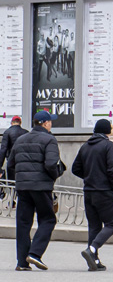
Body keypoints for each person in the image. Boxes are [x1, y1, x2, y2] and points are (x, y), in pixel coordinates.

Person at [8, 110, 63, 271]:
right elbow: (52, 164)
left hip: (23, 187)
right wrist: (53, 177)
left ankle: (22, 262)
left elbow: (10, 163)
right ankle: (35, 253)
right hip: (41, 186)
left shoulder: (20, 140)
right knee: (48, 219)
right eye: (50, 122)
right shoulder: (49, 139)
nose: (51, 124)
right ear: (45, 123)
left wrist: (21, 177)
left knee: (23, 223)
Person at [71, 119, 113, 271]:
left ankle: (94, 261)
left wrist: (89, 177)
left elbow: (75, 168)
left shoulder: (85, 146)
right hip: (105, 191)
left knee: (94, 226)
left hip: (89, 191)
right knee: (112, 224)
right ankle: (92, 249)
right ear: (107, 131)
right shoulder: (108, 145)